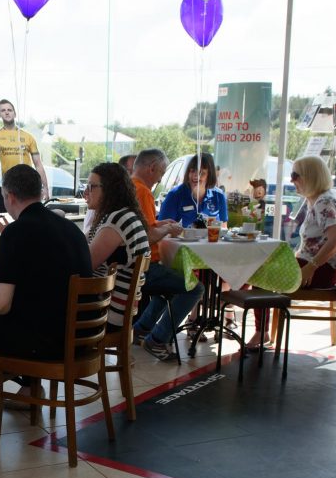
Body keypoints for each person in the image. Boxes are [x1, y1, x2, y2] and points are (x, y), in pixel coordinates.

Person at [0, 164, 92, 399]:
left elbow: (1, 304)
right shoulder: (71, 229)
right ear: (40, 192)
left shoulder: (16, 232)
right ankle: (28, 391)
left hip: (50, 344)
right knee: (31, 310)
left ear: (9, 196)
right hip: (83, 336)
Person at [247, 156, 336, 350]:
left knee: (258, 272)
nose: (292, 180)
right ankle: (262, 331)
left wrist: (311, 267)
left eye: (295, 176)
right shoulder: (319, 200)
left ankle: (261, 332)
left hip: (321, 271)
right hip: (321, 268)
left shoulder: (323, 203)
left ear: (310, 177)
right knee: (262, 266)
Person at [129, 149, 204, 361]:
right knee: (195, 288)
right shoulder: (142, 191)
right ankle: (158, 339)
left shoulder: (130, 188)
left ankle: (142, 328)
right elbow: (148, 236)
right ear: (151, 168)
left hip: (132, 265)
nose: (162, 177)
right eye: (161, 171)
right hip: (142, 267)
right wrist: (167, 230)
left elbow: (144, 226)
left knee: (172, 280)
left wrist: (162, 224)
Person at [83, 163, 150, 329]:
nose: (85, 192)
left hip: (107, 313)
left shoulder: (117, 219)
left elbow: (84, 264)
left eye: (91, 187)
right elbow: (81, 245)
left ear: (110, 190)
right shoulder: (120, 215)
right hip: (114, 308)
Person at [0, 99, 49, 197]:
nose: (6, 112)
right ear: (0, 114)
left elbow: (38, 164)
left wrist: (45, 188)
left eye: (9, 110)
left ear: (15, 114)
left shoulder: (28, 137)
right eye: (3, 110)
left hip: (28, 184)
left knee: (28, 211)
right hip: (8, 185)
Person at [158, 153, 228, 227]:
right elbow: (163, 229)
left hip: (212, 238)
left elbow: (223, 227)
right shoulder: (175, 195)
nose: (196, 176)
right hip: (183, 238)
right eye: (192, 171)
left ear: (209, 176)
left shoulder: (219, 195)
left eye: (201, 173)